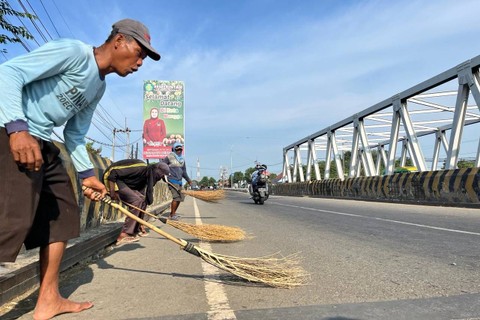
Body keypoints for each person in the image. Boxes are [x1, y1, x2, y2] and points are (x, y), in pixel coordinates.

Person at [0, 18, 160, 320]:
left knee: (62, 215)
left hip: (43, 143)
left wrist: (88, 176)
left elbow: (74, 135)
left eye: (144, 58)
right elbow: (8, 72)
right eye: (139, 52)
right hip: (10, 134)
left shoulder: (97, 87)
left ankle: (48, 299)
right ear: (119, 41)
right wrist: (18, 129)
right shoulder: (74, 53)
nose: (140, 63)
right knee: (12, 221)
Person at [103, 159, 170, 245]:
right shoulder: (139, 168)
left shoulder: (147, 176)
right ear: (156, 170)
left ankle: (136, 228)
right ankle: (124, 234)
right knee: (136, 200)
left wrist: (140, 222)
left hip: (124, 183)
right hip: (112, 180)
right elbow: (113, 172)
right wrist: (112, 192)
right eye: (161, 176)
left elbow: (143, 198)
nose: (160, 178)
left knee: (142, 200)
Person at [163, 142, 192, 220]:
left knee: (180, 198)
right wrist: (164, 176)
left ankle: (173, 213)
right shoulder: (169, 157)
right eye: (177, 149)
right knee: (176, 197)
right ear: (174, 149)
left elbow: (184, 172)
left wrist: (188, 180)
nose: (179, 151)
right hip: (172, 180)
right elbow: (162, 165)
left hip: (179, 181)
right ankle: (172, 215)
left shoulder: (182, 160)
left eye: (180, 149)